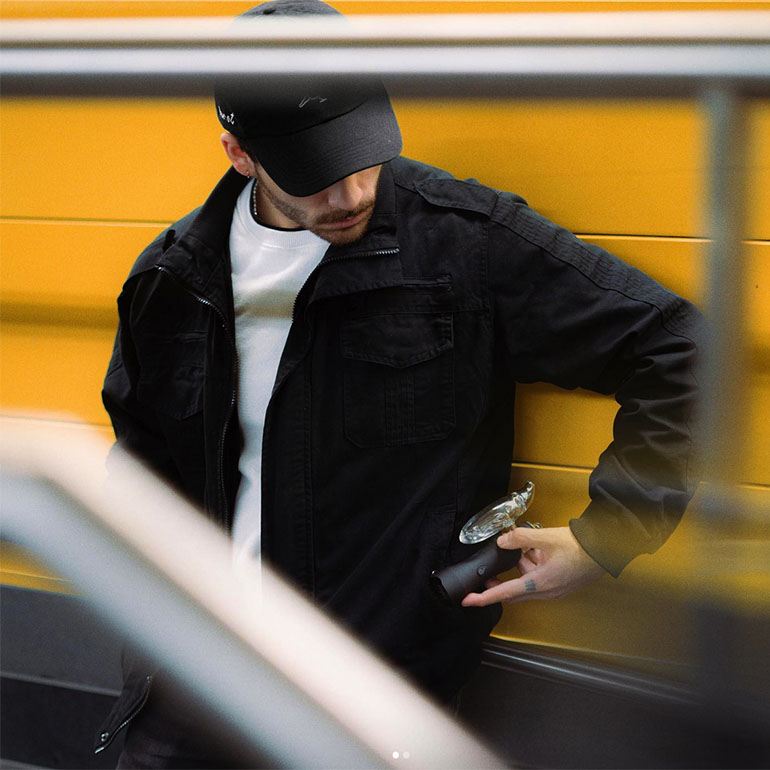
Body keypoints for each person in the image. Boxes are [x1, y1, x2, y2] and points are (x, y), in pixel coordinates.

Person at [95, 0, 706, 764]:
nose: (351, 194)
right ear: (240, 155)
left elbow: (679, 348)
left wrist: (609, 535)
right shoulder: (173, 281)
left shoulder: (462, 245)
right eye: (316, 174)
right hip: (192, 692)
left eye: (362, 153)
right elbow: (143, 475)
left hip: (367, 703)